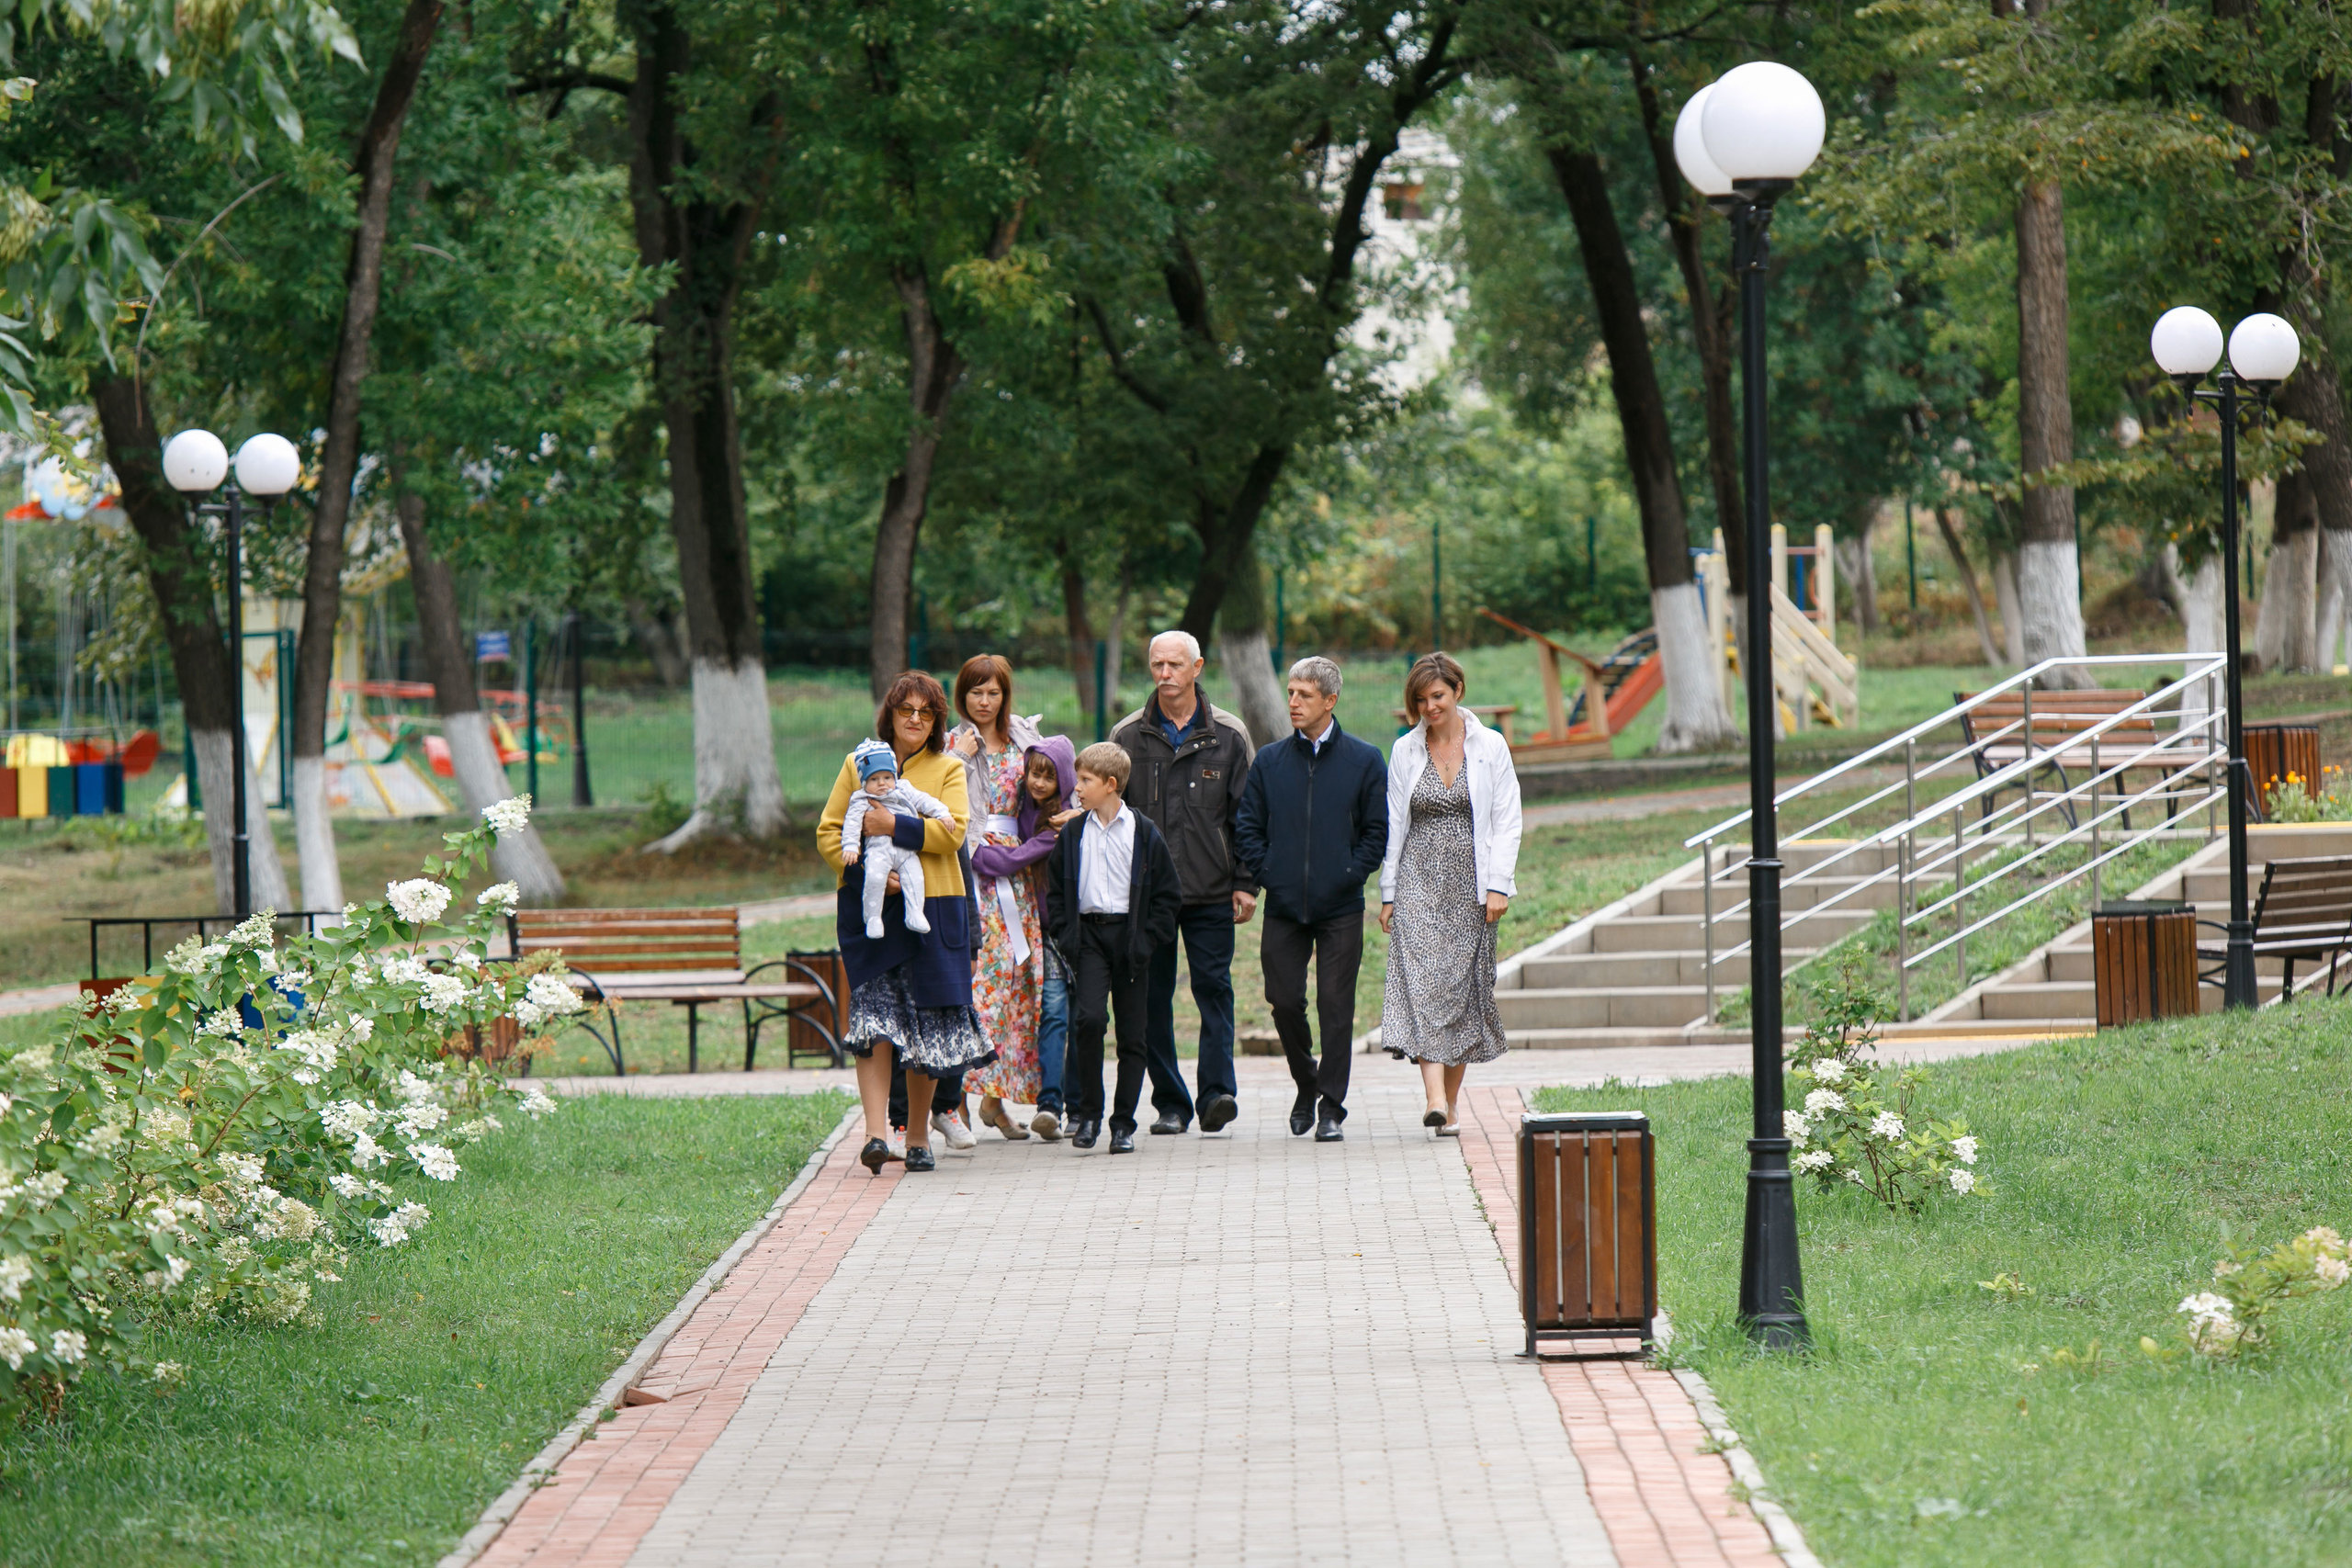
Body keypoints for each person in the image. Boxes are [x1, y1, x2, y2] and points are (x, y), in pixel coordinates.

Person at [819, 671, 996, 1174]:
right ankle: (877, 1134)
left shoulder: (947, 767)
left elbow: (953, 833)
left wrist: (891, 823)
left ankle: (918, 1135)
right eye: (906, 711)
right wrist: (869, 874)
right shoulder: (859, 763)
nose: (915, 720)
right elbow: (829, 833)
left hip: (934, 909)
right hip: (871, 909)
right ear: (890, 715)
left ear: (938, 719)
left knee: (929, 1023)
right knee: (873, 1023)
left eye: (926, 712)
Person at [1234, 657, 1387, 1144]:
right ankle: (1307, 1083)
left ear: (1330, 700)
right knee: (1283, 1000)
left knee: (1336, 1005)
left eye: (1304, 694)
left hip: (1341, 905)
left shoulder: (1364, 760)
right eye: (1291, 692)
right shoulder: (1270, 760)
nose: (1293, 702)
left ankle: (1332, 1107)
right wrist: (1271, 876)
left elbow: (1376, 833)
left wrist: (1348, 874)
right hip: (1284, 905)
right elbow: (1248, 829)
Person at [1111, 630, 1255, 1135]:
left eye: (1174, 665)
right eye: (1156, 665)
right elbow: (1110, 819)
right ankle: (1171, 1103)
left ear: (1197, 667)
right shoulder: (1126, 736)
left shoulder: (1230, 734)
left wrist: (1246, 883)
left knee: (1214, 989)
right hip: (1146, 896)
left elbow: (1247, 818)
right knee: (1151, 998)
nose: (1164, 674)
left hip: (1212, 889)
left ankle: (1217, 1094)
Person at [1380, 652, 1521, 1135]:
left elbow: (1507, 821)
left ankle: (1450, 1105)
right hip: (1419, 878)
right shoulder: (1405, 750)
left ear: (1457, 690)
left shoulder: (1490, 745)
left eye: (1437, 696)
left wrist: (1499, 885)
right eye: (1420, 699)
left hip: (1472, 884)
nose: (1429, 707)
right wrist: (1388, 893)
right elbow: (1395, 824)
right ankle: (1434, 1096)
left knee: (1462, 992)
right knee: (1422, 986)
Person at [1044, 742, 1182, 1154]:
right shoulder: (1073, 833)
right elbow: (1055, 891)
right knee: (1088, 1021)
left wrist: (1147, 938)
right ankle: (1088, 1115)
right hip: (1088, 939)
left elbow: (1167, 895)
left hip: (1131, 940)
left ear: (1110, 784)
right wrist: (1067, 936)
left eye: (1085, 780)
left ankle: (1123, 1123)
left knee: (1132, 1035)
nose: (1077, 788)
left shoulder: (1143, 832)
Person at [947, 655, 1049, 1142]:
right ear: (962, 696)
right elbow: (939, 800)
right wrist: (961, 756)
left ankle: (996, 1100)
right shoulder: (953, 744)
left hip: (1019, 871)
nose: (984, 703)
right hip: (973, 872)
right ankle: (959, 1102)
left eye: (993, 693)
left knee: (1017, 987)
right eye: (975, 693)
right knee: (978, 989)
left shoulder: (1023, 741)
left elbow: (1053, 786)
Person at [969, 736, 1080, 1139]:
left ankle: (1062, 1103)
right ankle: (995, 1099)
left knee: (1058, 1016)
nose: (1039, 782)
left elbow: (1012, 858)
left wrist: (975, 852)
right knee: (1018, 1010)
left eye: (1049, 776)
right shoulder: (1020, 812)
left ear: (1064, 779)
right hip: (1026, 928)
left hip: (1060, 933)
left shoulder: (1060, 822)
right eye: (1034, 773)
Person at [839, 739, 957, 938]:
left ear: (894, 776)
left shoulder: (903, 789)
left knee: (915, 878)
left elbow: (923, 800)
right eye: (874, 779)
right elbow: (851, 822)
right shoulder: (861, 799)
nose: (882, 783)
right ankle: (873, 917)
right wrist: (850, 846)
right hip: (879, 850)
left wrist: (942, 813)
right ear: (864, 782)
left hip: (906, 851)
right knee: (875, 878)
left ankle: (915, 913)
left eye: (887, 777)